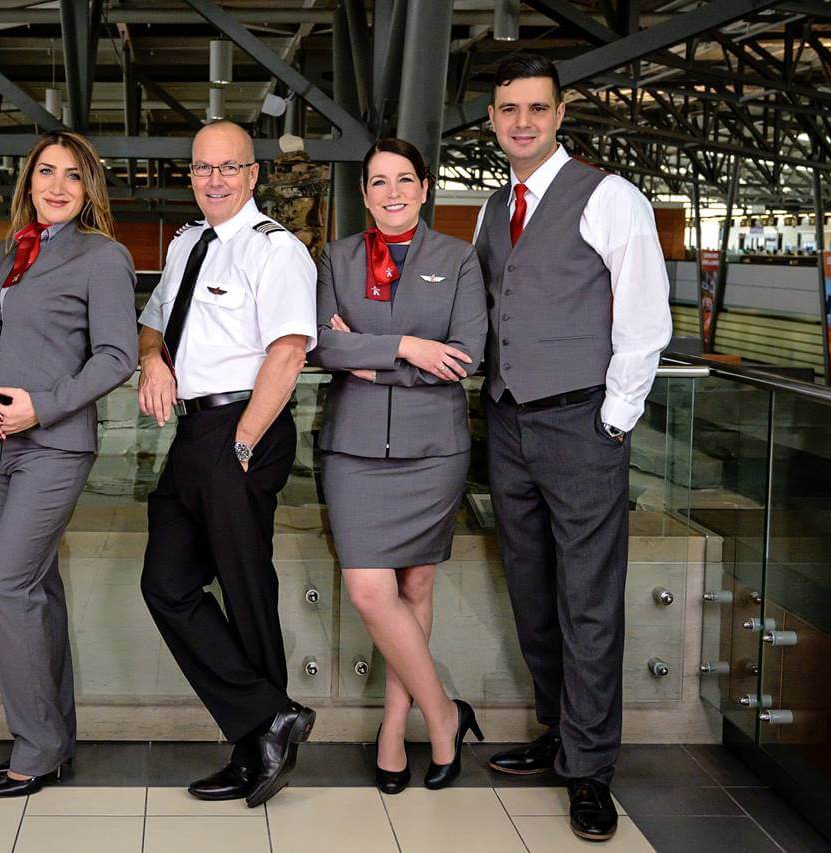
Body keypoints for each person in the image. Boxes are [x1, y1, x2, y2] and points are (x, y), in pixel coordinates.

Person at [473, 54, 672, 841]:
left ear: (560, 114)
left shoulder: (610, 196)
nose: (522, 121)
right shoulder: (495, 206)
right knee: (531, 586)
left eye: (536, 108)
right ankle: (559, 731)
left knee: (587, 598)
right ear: (492, 118)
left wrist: (614, 420)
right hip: (510, 422)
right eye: (508, 109)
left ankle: (589, 769)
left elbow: (644, 316)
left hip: (582, 421)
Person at [0, 131, 138, 797]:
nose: (58, 186)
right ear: (28, 181)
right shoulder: (6, 252)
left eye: (73, 176)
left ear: (89, 189)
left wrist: (42, 407)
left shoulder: (103, 257)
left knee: (7, 585)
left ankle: (34, 743)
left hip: (54, 445)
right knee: (36, 587)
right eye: (47, 173)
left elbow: (118, 356)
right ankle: (57, 735)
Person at [138, 120, 318, 808]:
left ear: (252, 175)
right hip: (192, 432)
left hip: (243, 427)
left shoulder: (276, 251)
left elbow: (289, 350)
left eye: (228, 167)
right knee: (167, 584)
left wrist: (243, 440)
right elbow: (155, 320)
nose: (214, 179)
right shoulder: (188, 243)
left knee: (245, 588)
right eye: (202, 168)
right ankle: (267, 717)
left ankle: (257, 746)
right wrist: (153, 357)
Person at [308, 138, 487, 794]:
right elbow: (321, 345)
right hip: (354, 449)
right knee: (369, 589)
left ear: (425, 186)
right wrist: (410, 346)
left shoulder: (458, 258)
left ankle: (394, 727)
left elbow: (464, 356)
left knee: (415, 589)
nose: (391, 192)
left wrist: (370, 353)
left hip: (433, 451)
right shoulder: (337, 256)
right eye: (378, 182)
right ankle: (444, 711)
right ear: (363, 192)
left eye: (403, 180)